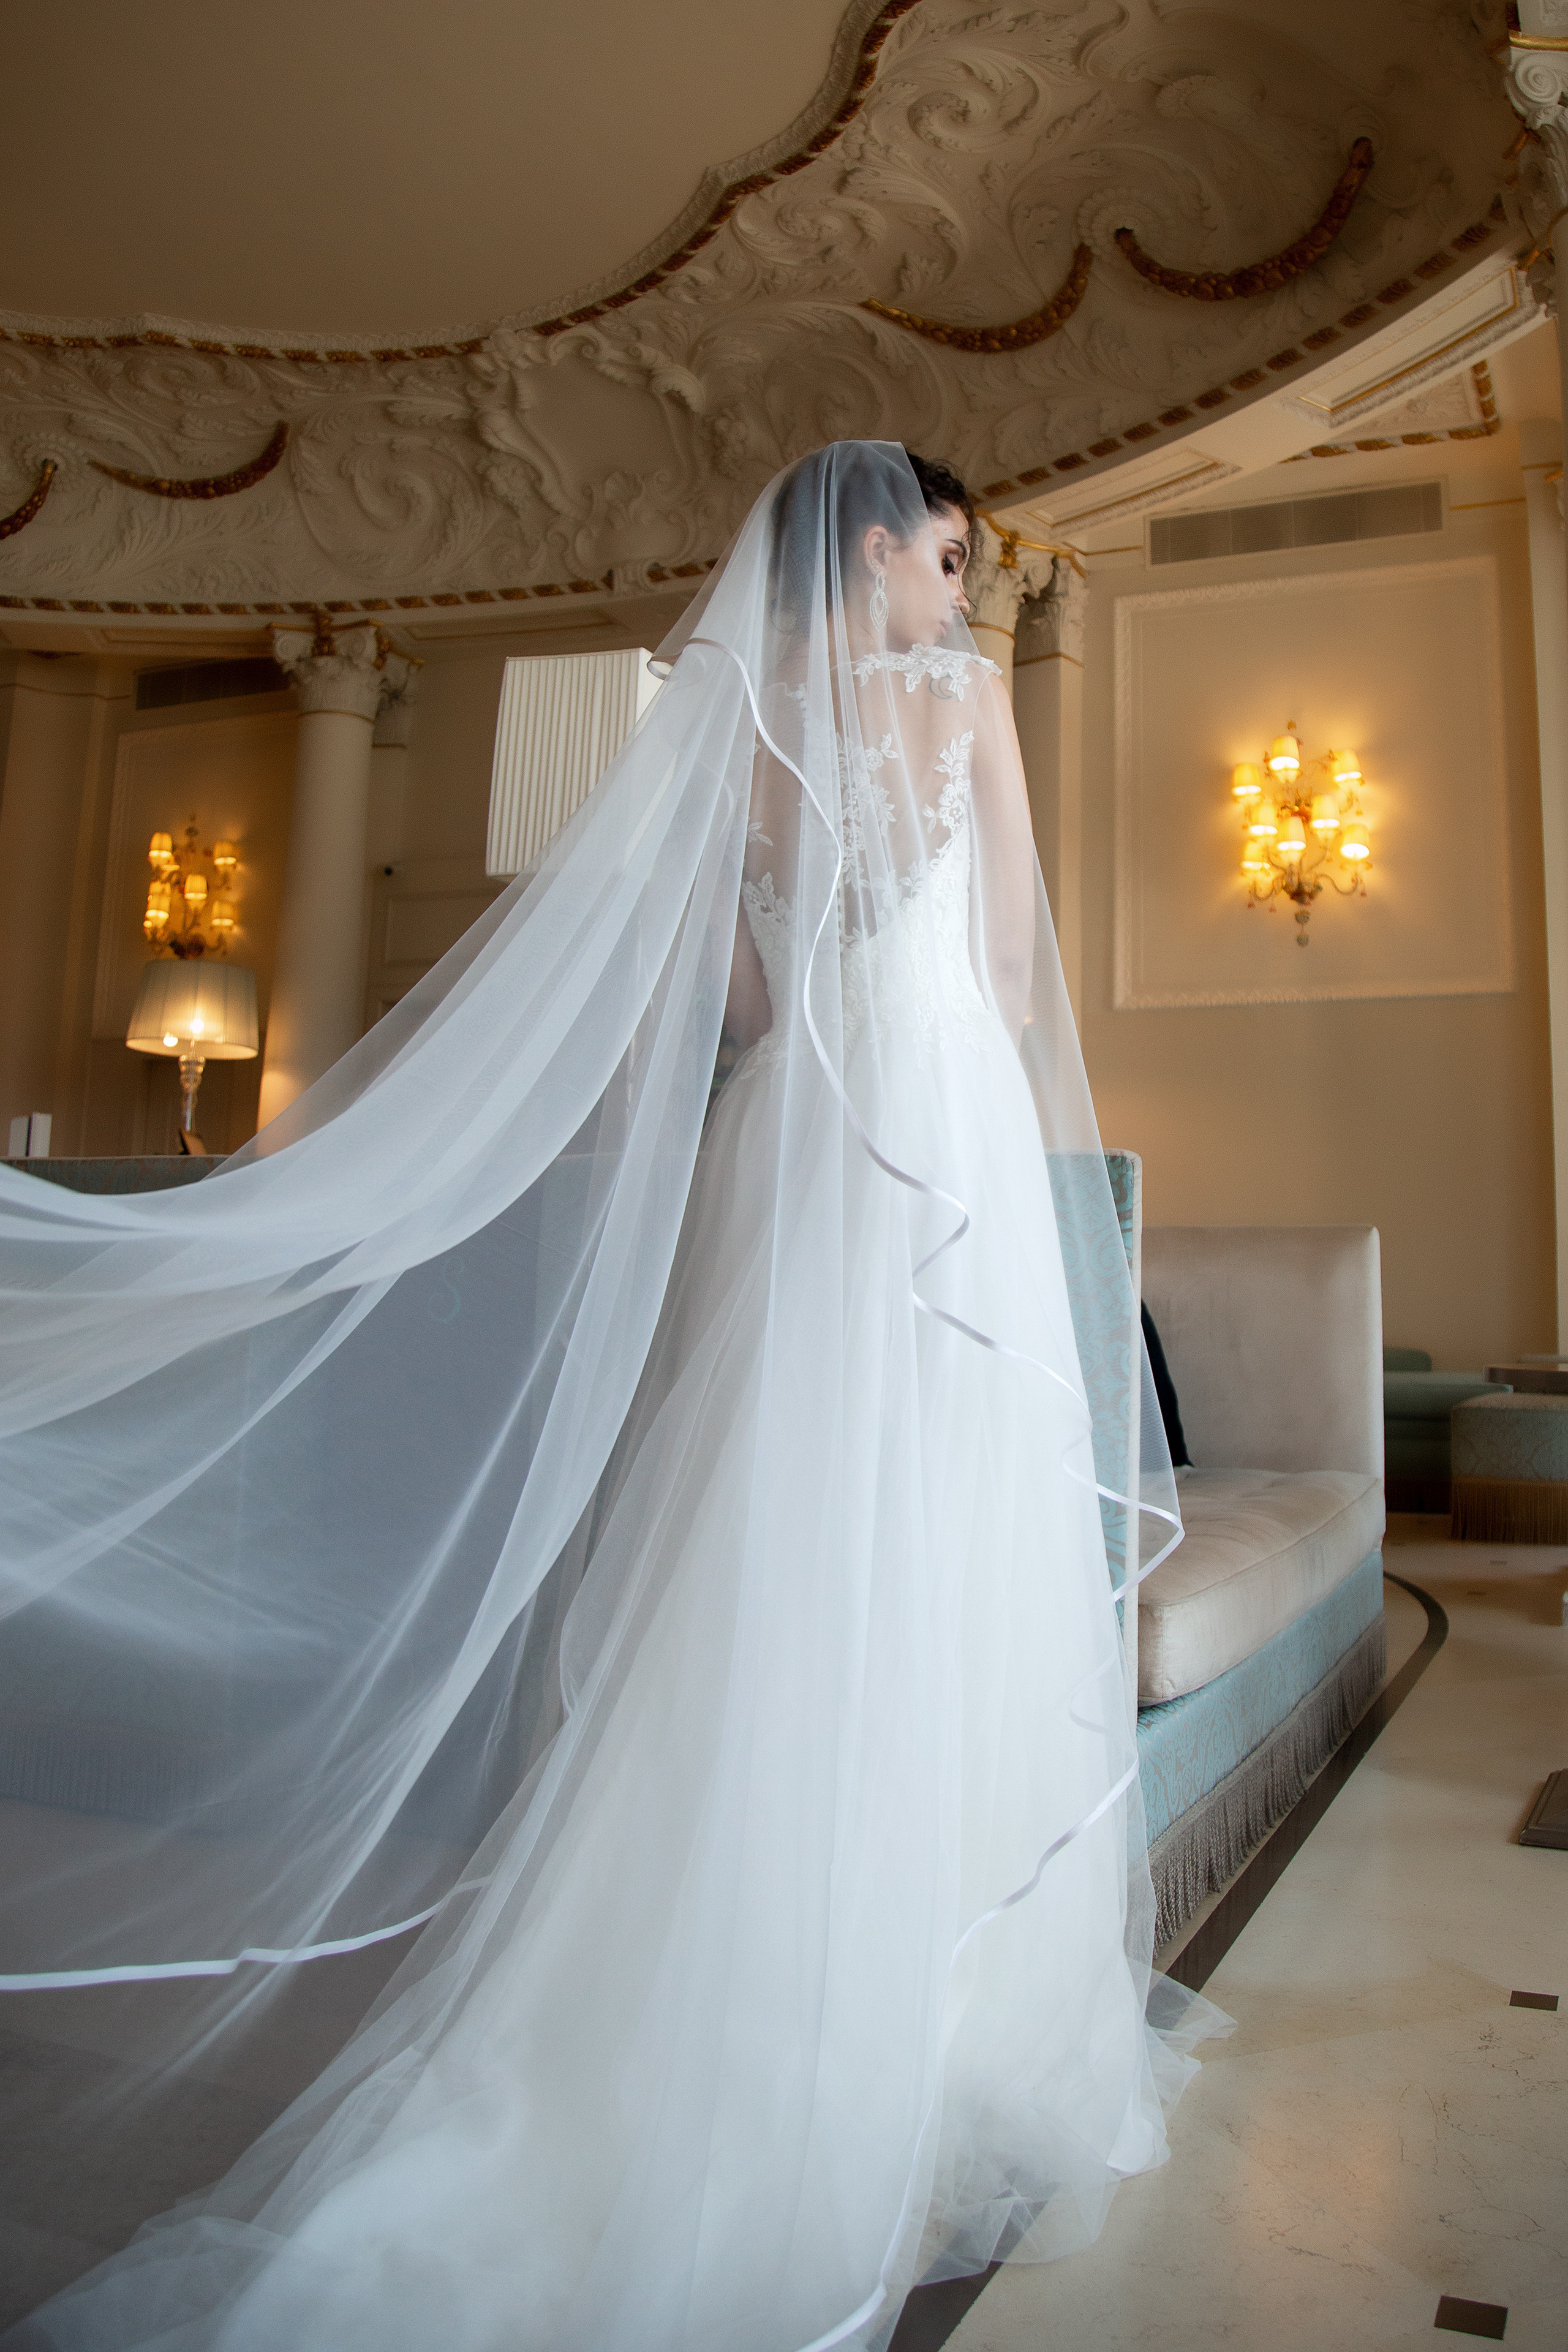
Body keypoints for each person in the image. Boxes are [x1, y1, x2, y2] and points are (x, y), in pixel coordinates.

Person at [1, 442, 1218, 2352]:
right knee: (945, 1561)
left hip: (790, 1157)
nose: (961, 590)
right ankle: (938, 2030)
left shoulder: (725, 719)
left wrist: (815, 997)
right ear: (883, 545)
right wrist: (922, 1025)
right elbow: (1001, 953)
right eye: (952, 553)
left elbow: (725, 1006)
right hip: (936, 1156)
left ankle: (707, 2000)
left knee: (761, 1560)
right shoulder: (965, 695)